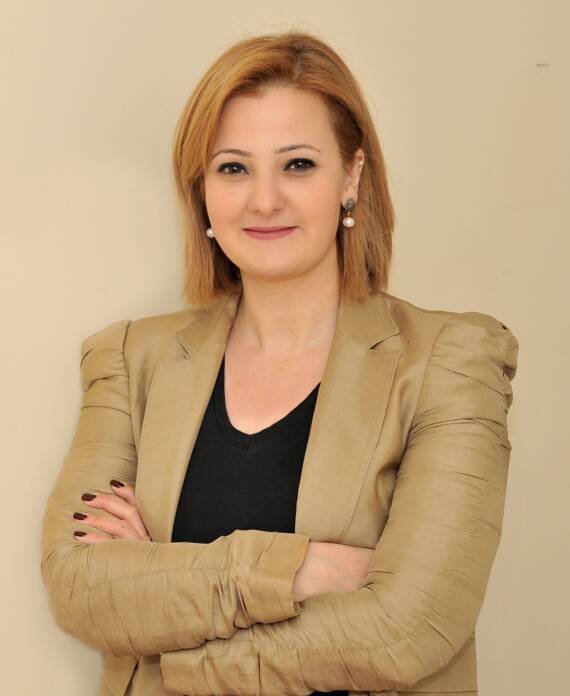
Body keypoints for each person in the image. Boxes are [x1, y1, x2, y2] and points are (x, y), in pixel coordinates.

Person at [41, 30, 519, 696]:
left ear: (351, 176)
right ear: (201, 190)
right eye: (233, 169)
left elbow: (407, 629)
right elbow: (79, 589)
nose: (264, 200)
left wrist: (167, 628)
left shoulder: (450, 361)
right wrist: (291, 570)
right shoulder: (129, 359)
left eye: (297, 164)